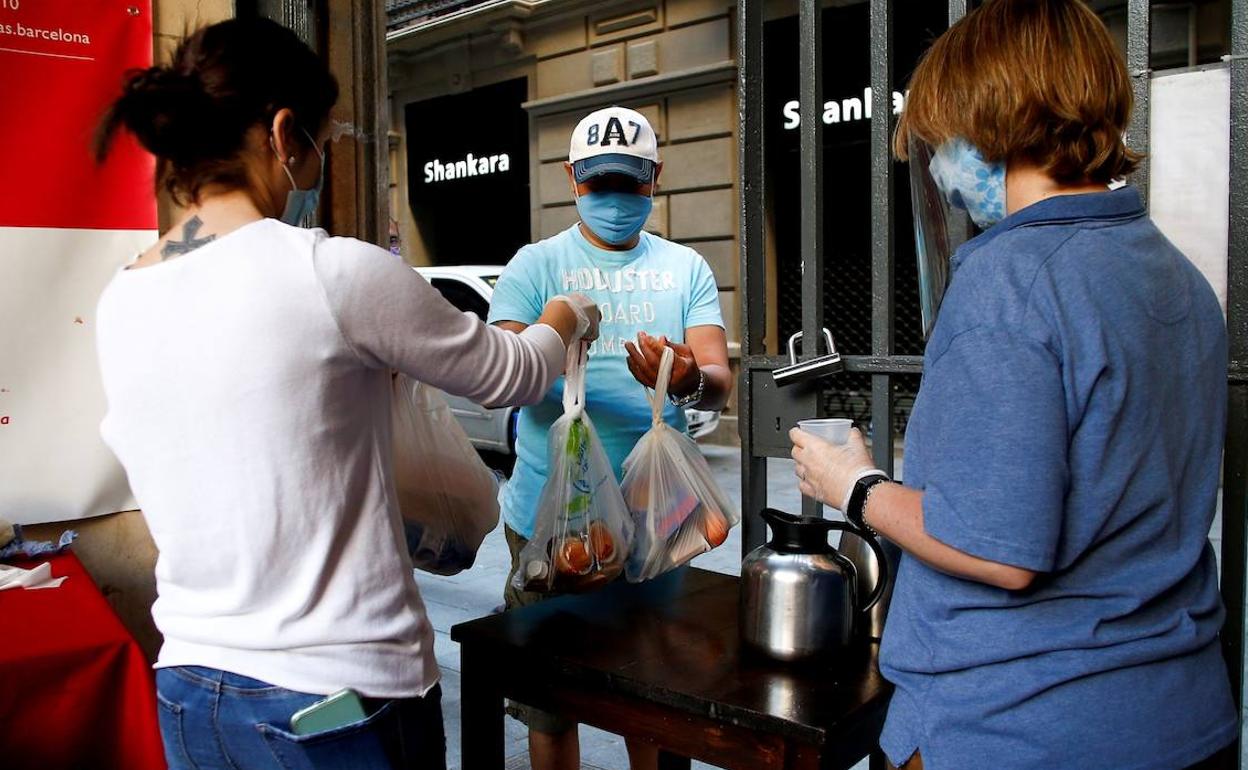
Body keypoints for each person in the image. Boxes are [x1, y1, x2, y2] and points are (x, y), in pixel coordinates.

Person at [93, 18, 599, 770]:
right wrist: (566, 314)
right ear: (283, 132)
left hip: (189, 691)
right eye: (321, 145)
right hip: (335, 703)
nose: (318, 165)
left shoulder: (121, 297)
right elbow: (512, 374)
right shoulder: (330, 273)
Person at [789, 2, 1236, 768]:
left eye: (942, 136)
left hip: (1017, 725)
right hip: (1183, 717)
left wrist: (852, 483)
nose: (936, 164)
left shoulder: (1009, 280)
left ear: (989, 116)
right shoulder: (1177, 275)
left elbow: (997, 548)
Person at [487, 106, 732, 770]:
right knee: (550, 693)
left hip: (660, 515)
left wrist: (683, 377)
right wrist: (554, 328)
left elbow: (718, 379)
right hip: (552, 512)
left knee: (655, 688)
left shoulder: (685, 269)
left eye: (630, 184)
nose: (615, 200)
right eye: (599, 185)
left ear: (655, 180)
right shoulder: (536, 266)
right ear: (571, 178)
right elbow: (499, 373)